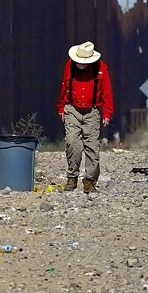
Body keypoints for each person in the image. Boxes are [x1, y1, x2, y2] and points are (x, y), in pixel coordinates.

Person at [55, 40, 114, 193]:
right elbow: (64, 86)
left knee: (92, 147)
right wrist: (61, 107)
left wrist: (107, 113)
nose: (80, 64)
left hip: (92, 111)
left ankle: (90, 181)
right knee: (72, 143)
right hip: (72, 109)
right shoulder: (69, 65)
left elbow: (107, 91)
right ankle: (72, 177)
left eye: (83, 63)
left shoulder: (101, 68)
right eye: (78, 62)